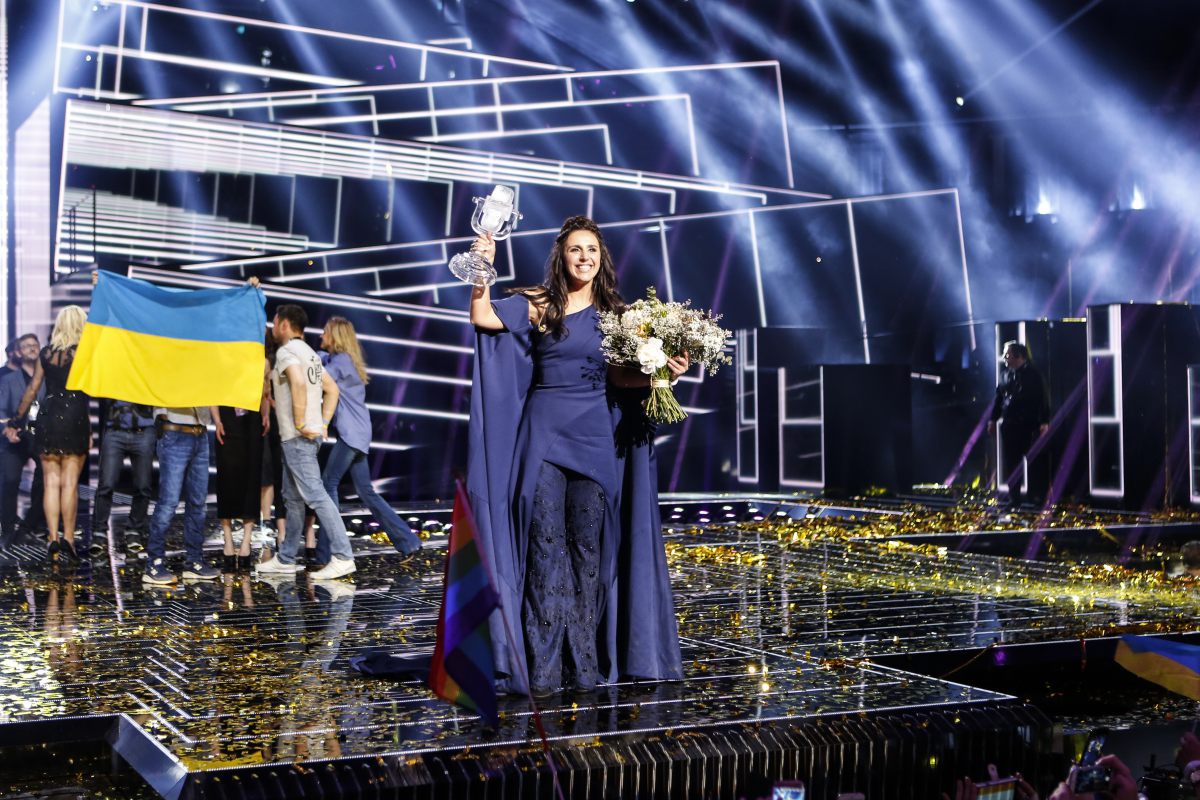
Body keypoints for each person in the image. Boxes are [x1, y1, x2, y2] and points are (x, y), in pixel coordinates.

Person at [467, 215, 685, 695]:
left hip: (596, 443)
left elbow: (622, 379)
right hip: (543, 438)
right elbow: (483, 318)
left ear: (601, 257)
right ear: (561, 258)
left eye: (591, 249)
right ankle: (543, 672)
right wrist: (483, 270)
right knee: (546, 553)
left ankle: (582, 667)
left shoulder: (619, 316)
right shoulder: (541, 304)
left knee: (588, 556)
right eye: (574, 250)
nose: (584, 257)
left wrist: (665, 374)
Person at [305, 316, 421, 565]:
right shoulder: (341, 360)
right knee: (366, 491)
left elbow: (316, 375)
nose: (321, 336)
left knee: (328, 486)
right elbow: (320, 361)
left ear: (335, 336)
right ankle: (408, 541)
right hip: (358, 433)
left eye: (325, 332)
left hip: (350, 435)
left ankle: (330, 553)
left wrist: (299, 353)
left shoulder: (342, 363)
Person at [256, 303, 356, 581]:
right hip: (302, 437)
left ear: (284, 325)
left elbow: (299, 383)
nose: (273, 328)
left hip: (298, 437)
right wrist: (321, 423)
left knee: (315, 495)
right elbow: (331, 389)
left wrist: (301, 422)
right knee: (292, 498)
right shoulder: (310, 353)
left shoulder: (288, 352)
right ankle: (287, 558)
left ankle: (344, 556)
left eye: (275, 323)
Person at [13, 307, 92, 561]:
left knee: (50, 483)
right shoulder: (83, 353)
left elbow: (33, 388)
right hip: (75, 415)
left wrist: (17, 419)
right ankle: (68, 538)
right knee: (69, 484)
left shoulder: (46, 354)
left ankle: (52, 539)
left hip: (49, 415)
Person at [143, 406, 220, 584]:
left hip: (200, 434)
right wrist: (161, 415)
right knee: (169, 502)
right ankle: (154, 563)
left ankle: (195, 560)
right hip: (174, 431)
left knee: (198, 502)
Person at [210, 354, 271, 573]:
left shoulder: (259, 361)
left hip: (252, 423)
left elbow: (264, 392)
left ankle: (246, 541)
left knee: (251, 479)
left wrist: (266, 415)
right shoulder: (223, 359)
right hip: (227, 423)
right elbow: (213, 392)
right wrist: (216, 420)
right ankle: (228, 540)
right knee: (227, 479)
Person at [988, 341, 1049, 509]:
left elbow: (1042, 398)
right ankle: (1014, 498)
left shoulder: (1034, 375)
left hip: (1029, 425)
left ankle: (1037, 496)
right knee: (1011, 462)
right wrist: (993, 419)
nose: (1005, 358)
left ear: (1019, 356)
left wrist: (1044, 421)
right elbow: (998, 399)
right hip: (1009, 425)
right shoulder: (1005, 375)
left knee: (1033, 461)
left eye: (1008, 355)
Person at [92, 400, 156, 557]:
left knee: (143, 485)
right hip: (115, 429)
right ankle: (99, 532)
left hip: (144, 430)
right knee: (106, 483)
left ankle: (134, 529)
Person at [0, 334, 45, 551]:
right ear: (18, 352)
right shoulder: (8, 380)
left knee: (45, 479)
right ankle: (8, 528)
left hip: (41, 436)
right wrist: (6, 430)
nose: (31, 349)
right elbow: (1, 410)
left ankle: (32, 525)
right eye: (26, 346)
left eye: (34, 345)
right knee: (9, 480)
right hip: (15, 437)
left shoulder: (48, 379)